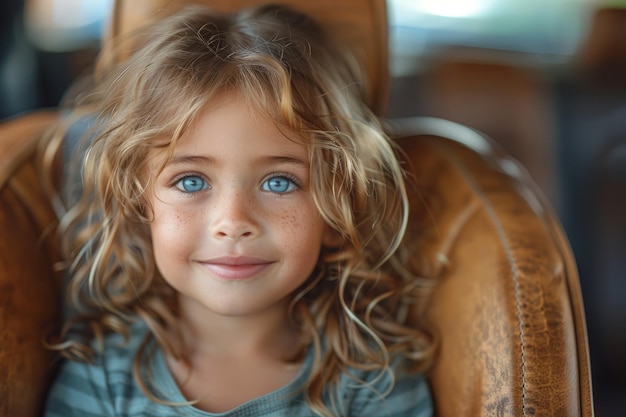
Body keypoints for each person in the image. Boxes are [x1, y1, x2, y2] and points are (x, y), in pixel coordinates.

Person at [43, 4, 435, 416]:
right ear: (139, 207)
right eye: (191, 181)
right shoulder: (100, 374)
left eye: (279, 182)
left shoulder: (374, 380)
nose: (233, 222)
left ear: (340, 208)